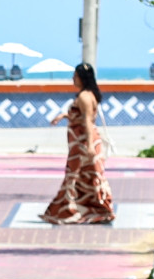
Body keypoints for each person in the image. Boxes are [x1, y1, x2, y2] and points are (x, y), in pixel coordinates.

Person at [42, 62, 116, 225]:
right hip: (82, 143)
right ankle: (88, 208)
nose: (73, 79)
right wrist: (64, 115)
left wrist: (89, 145)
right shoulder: (90, 95)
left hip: (83, 143)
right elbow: (81, 117)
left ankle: (73, 210)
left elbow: (88, 121)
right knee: (85, 176)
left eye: (75, 76)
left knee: (77, 175)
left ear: (82, 78)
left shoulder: (84, 97)